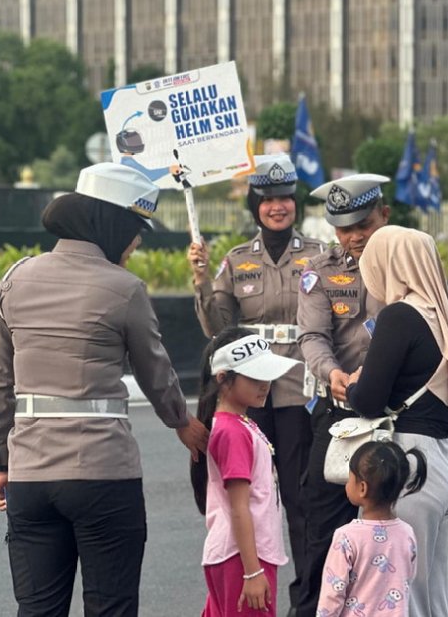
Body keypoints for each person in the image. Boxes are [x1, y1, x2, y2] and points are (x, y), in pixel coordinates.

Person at [0, 162, 209, 617]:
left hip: (30, 477)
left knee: (38, 609)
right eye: (134, 228)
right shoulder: (124, 289)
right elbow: (156, 372)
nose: (137, 241)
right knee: (111, 608)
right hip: (104, 476)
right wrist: (182, 422)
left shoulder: (15, 279)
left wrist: (2, 461)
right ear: (110, 224)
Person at [188, 154, 326, 608]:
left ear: (296, 203)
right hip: (251, 393)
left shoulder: (317, 256)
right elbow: (218, 328)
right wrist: (203, 279)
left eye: (285, 197)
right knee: (250, 497)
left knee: (300, 502)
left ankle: (306, 600)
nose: (277, 206)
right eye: (268, 199)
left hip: (296, 390)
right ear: (256, 206)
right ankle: (247, 584)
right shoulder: (237, 260)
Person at [345, 225, 448, 617]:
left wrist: (351, 386)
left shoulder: (399, 316)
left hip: (408, 464)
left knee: (398, 592)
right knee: (432, 591)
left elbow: (368, 401)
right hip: (444, 461)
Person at [295, 174, 391, 617]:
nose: (353, 237)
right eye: (343, 228)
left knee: (390, 527)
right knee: (323, 524)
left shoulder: (404, 264)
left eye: (363, 225)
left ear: (384, 217)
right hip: (337, 417)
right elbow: (312, 336)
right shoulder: (318, 272)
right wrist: (331, 371)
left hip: (394, 416)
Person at [190, 327, 300, 617]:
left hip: (242, 555)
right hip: (243, 558)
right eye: (255, 377)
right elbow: (239, 507)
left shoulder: (239, 424)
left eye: (267, 375)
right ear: (223, 379)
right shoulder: (232, 431)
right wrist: (252, 572)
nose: (265, 384)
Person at [316, 441, 427, 617]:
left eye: (350, 477)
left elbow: (333, 593)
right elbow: (407, 578)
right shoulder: (406, 533)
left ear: (362, 488)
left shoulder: (346, 537)